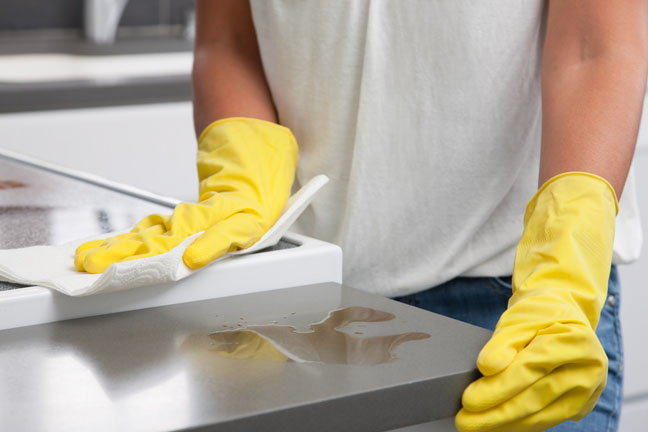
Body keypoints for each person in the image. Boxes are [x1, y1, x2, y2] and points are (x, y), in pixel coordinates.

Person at [74, 1, 648, 430]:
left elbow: (595, 47)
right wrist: (240, 176)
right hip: (299, 308)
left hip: (512, 308)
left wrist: (564, 269)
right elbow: (228, 39)